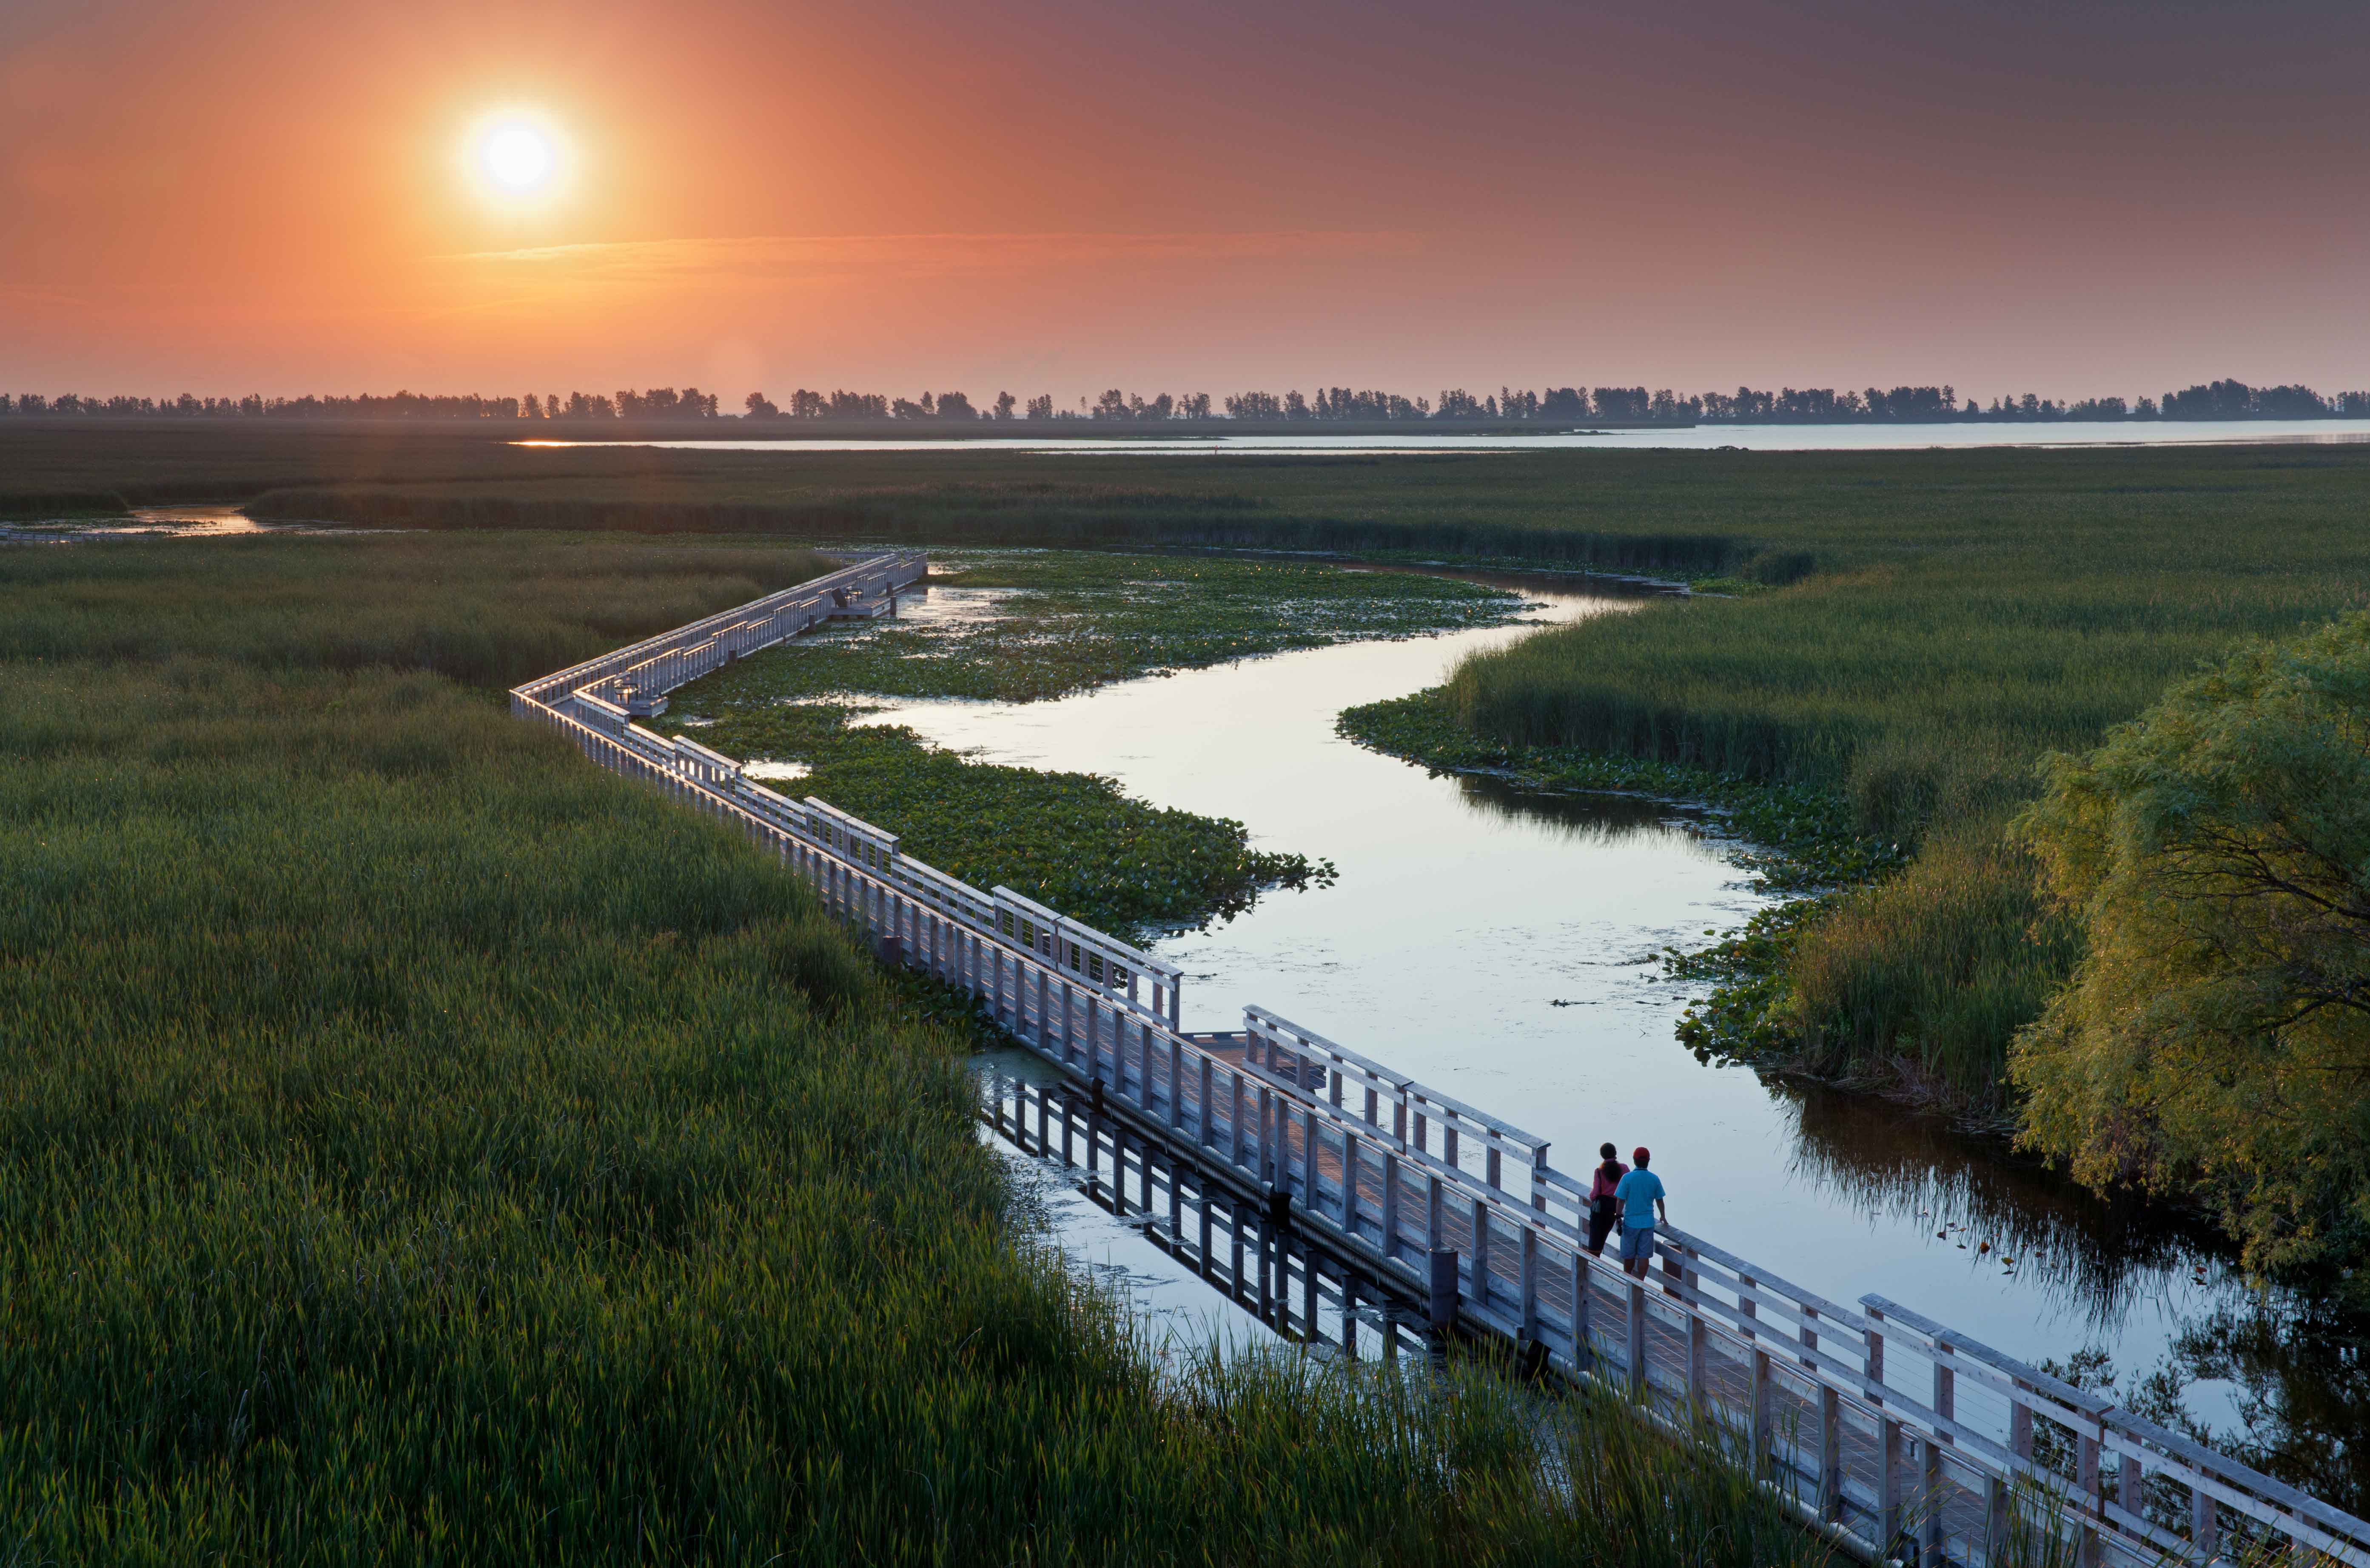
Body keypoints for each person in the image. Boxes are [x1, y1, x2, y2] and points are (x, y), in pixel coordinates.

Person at [1613, 1146, 1666, 1278]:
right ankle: (1641, 1282)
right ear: (1649, 1161)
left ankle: (1628, 1279)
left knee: (1629, 1255)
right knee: (1644, 1256)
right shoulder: (1654, 1179)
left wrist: (1618, 1216)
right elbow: (1660, 1200)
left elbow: (1620, 1200)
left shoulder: (1627, 1178)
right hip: (1647, 1223)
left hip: (1631, 1222)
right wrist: (1663, 1217)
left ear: (1634, 1160)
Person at [1586, 1142, 1628, 1257]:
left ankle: (1593, 1267)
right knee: (1604, 1236)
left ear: (1602, 1155)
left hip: (1600, 1208)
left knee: (1595, 1242)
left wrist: (1592, 1197)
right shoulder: (1624, 1169)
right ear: (1615, 1153)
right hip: (1615, 1207)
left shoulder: (1599, 1171)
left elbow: (1595, 1193)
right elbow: (1628, 1187)